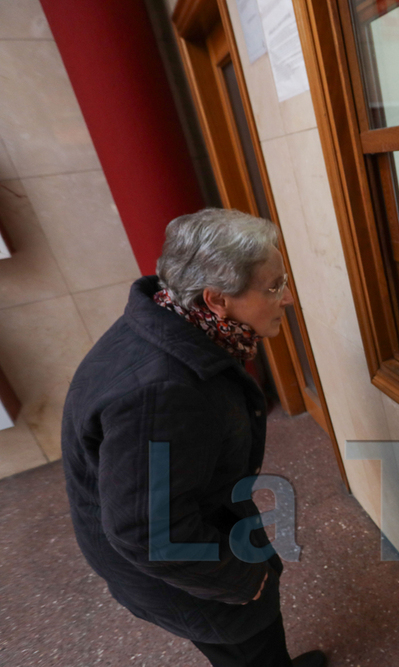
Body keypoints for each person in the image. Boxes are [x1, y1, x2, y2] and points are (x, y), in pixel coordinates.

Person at [62, 209, 325, 667]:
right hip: (181, 569)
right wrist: (240, 580)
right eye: (273, 286)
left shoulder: (171, 320)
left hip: (194, 529)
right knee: (248, 642)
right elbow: (147, 532)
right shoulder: (163, 393)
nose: (287, 299)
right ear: (216, 300)